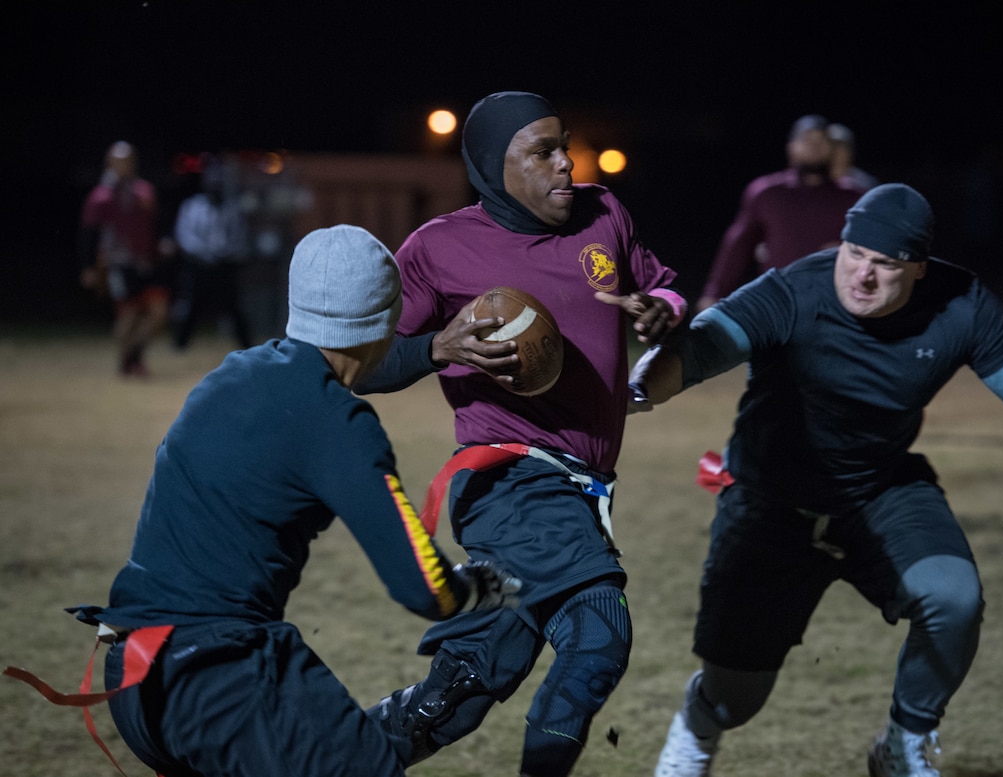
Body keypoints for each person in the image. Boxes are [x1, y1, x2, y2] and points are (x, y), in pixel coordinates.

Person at [629, 184, 1003, 777]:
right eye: (854, 255)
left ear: (918, 268)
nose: (862, 277)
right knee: (736, 697)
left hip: (880, 491)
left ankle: (903, 745)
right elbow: (701, 349)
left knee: (954, 599)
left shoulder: (961, 301)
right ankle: (699, 725)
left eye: (886, 265)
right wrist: (639, 385)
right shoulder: (794, 289)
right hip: (770, 503)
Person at [66, 225, 521, 777]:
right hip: (216, 679)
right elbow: (423, 587)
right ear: (385, 319)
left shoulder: (232, 375)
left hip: (134, 677)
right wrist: (480, 586)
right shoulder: (338, 421)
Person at [355, 91, 686, 776]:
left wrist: (662, 308)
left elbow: (664, 286)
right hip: (509, 478)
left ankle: (336, 754)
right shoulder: (437, 248)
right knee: (598, 634)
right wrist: (436, 349)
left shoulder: (605, 212)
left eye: (563, 144)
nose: (565, 162)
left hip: (579, 486)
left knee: (467, 687)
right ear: (490, 167)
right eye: (541, 152)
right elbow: (359, 359)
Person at [695, 114, 867, 312]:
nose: (814, 146)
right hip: (777, 301)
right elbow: (737, 245)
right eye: (807, 139)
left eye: (822, 140)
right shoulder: (767, 192)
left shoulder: (854, 196)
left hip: (832, 302)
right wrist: (714, 292)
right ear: (791, 146)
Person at [79, 140, 172, 376]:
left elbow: (157, 223)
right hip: (117, 263)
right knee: (128, 314)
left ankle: (134, 355)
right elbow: (89, 233)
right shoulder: (101, 196)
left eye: (127, 161)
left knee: (158, 313)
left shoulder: (144, 191)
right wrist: (88, 266)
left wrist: (163, 244)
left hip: (147, 262)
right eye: (118, 161)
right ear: (109, 163)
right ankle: (126, 363)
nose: (123, 166)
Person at [171, 154, 253, 350]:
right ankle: (180, 344)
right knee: (190, 305)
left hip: (224, 265)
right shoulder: (192, 206)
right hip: (198, 264)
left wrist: (225, 252)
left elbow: (240, 236)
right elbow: (184, 235)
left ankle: (246, 344)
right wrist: (204, 253)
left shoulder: (232, 208)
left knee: (234, 307)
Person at [829, 121, 880, 192]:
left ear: (850, 151)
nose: (834, 151)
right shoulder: (815, 180)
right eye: (831, 146)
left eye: (840, 146)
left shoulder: (864, 183)